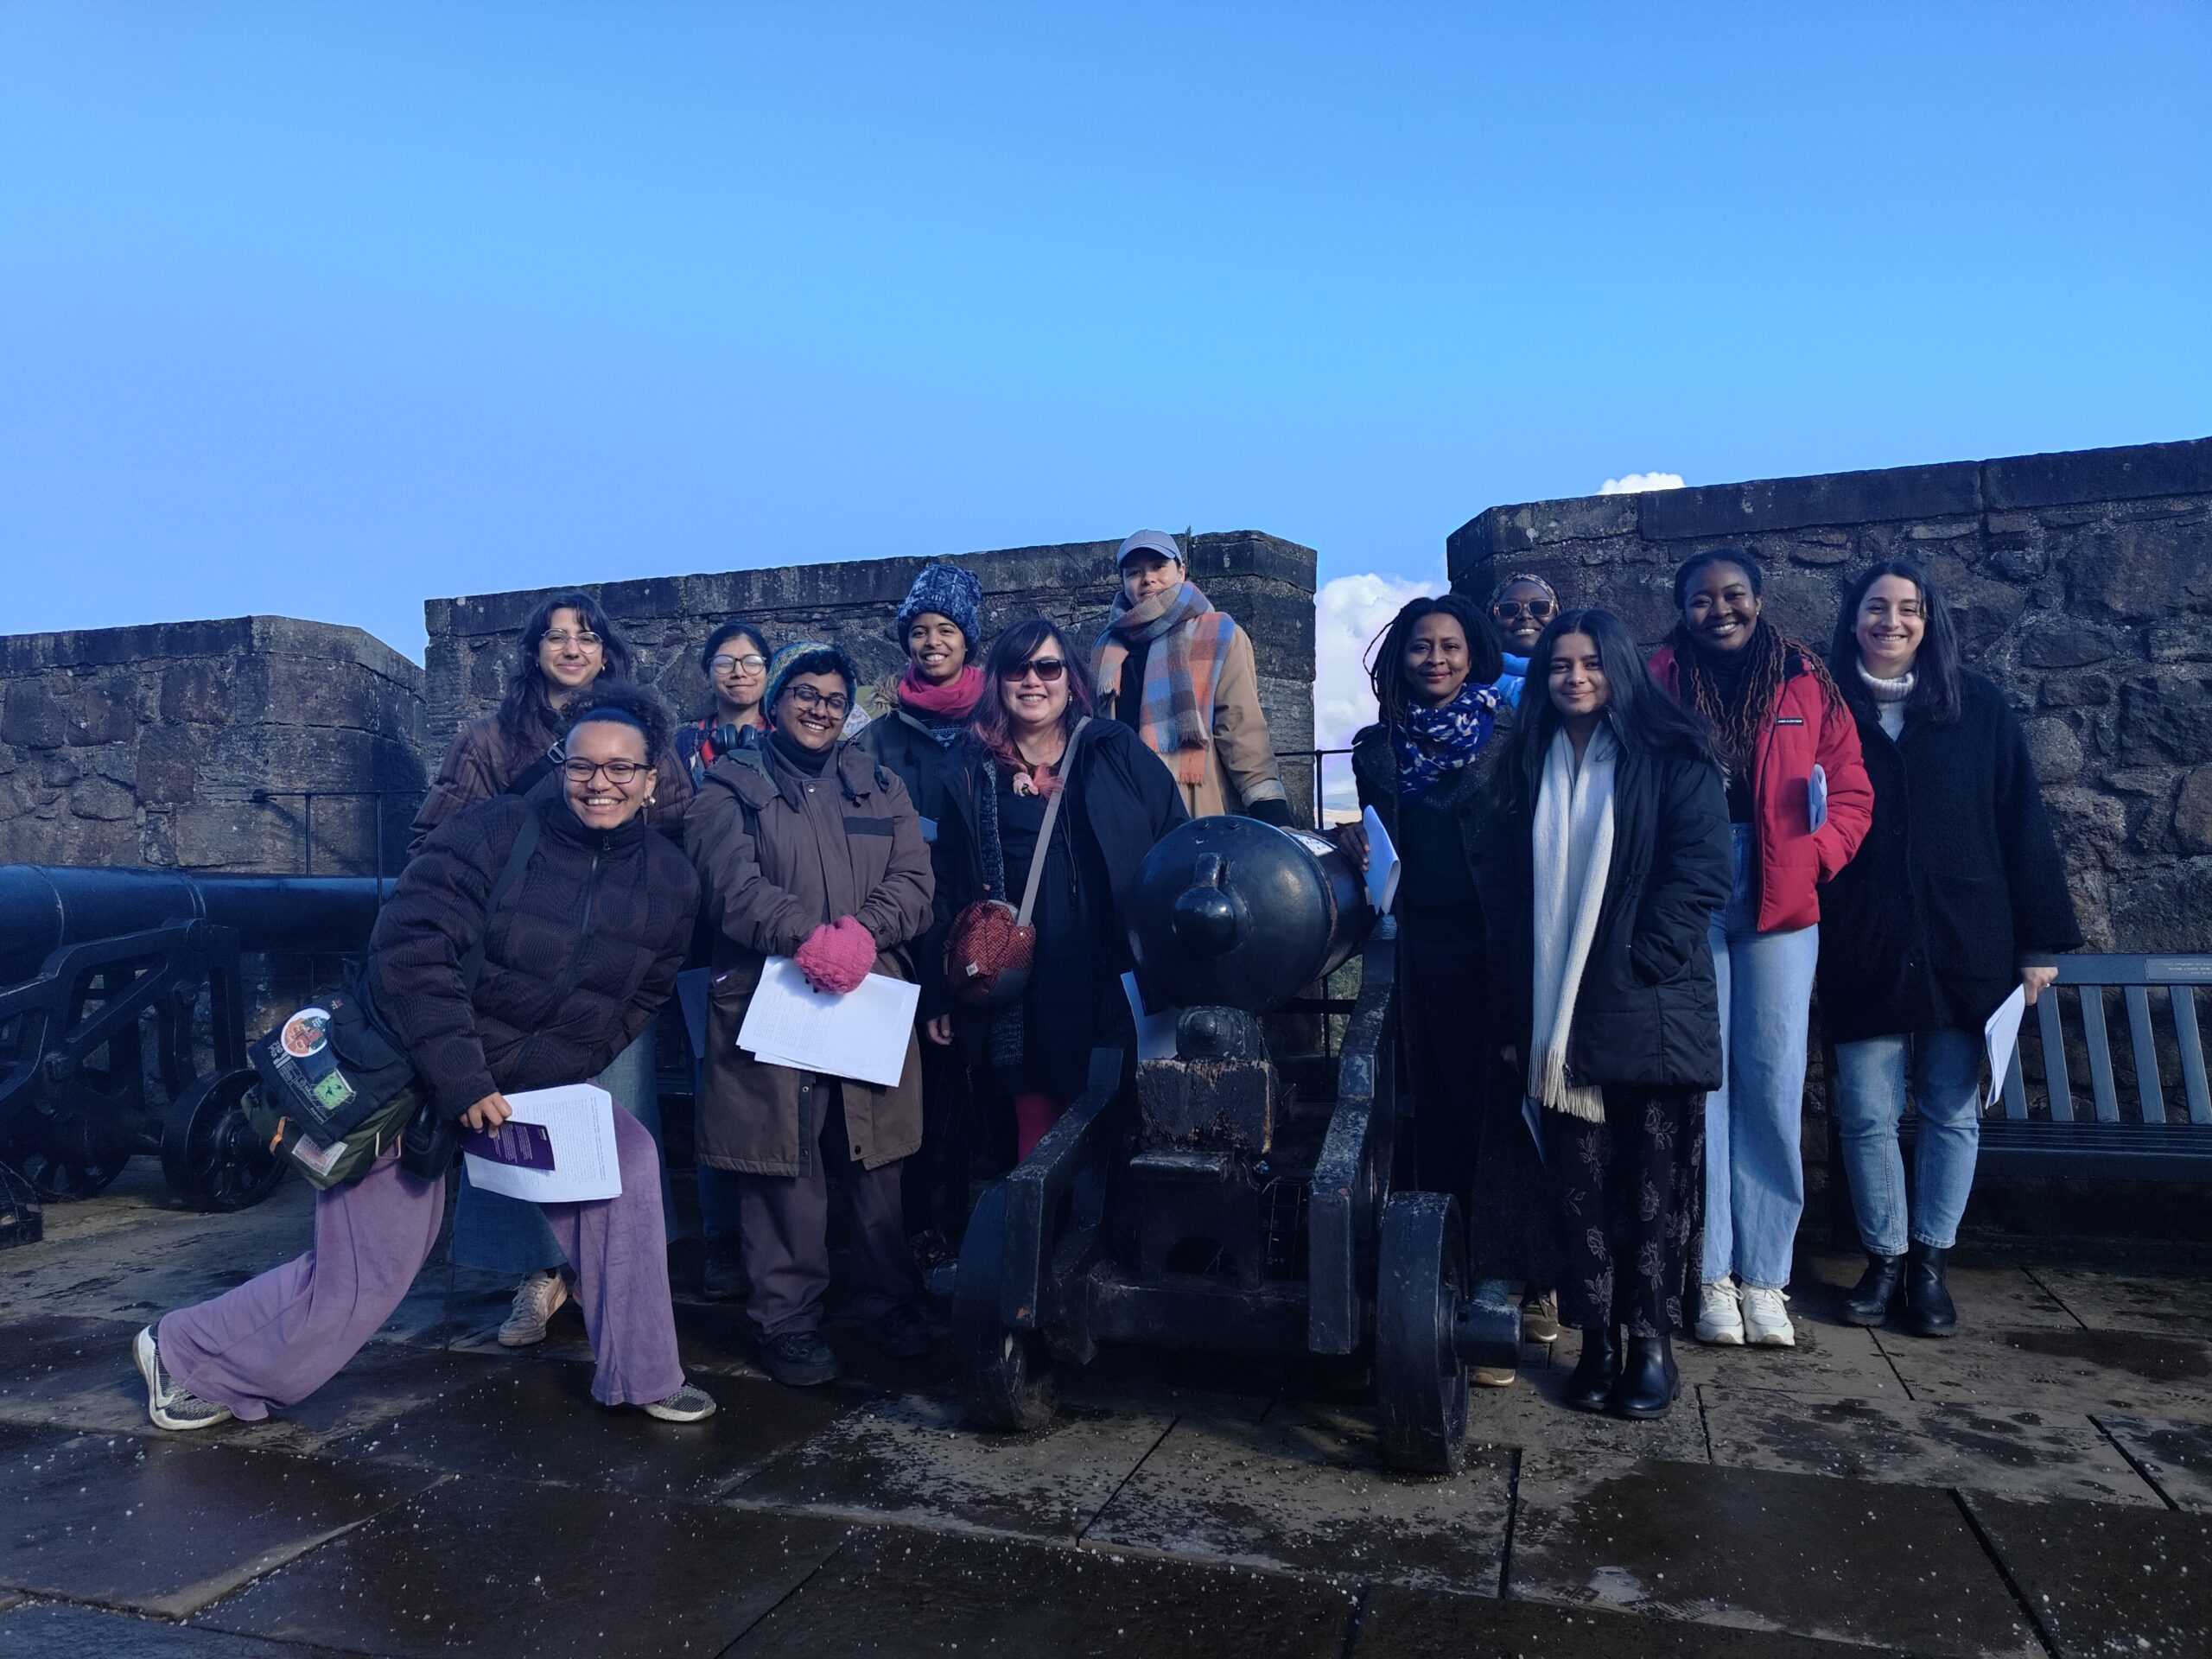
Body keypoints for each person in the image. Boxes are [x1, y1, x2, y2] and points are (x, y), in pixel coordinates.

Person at [136, 684, 716, 1432]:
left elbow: (645, 992)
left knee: (625, 1167)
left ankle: (644, 1373)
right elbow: (409, 950)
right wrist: (465, 1078)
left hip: (525, 1087)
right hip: (414, 1073)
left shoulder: (670, 880)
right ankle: (184, 1353)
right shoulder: (497, 830)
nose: (600, 782)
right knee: (367, 1274)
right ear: (561, 763)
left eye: (621, 769)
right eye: (583, 765)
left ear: (649, 779)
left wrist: (567, 1065)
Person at [410, 595, 691, 1352]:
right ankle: (533, 1274)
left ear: (607, 652)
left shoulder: (643, 735)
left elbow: (674, 825)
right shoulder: (493, 740)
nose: (571, 648)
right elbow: (438, 839)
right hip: (514, 966)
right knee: (511, 1121)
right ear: (534, 652)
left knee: (612, 1124)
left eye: (586, 636)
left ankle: (610, 1277)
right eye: (555, 637)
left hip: (608, 960)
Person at [1478, 610, 1732, 1419]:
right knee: (1578, 1190)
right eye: (1560, 665)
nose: (1575, 677)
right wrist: (1520, 1016)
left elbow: (1699, 874)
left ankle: (1650, 1346)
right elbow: (1513, 901)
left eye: (1591, 662)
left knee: (1647, 1189)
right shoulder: (1526, 769)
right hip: (1557, 1016)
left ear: (1620, 668)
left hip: (1644, 1006)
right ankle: (1596, 1341)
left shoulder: (1674, 758)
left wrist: (1635, 963)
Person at [1819, 560, 2081, 1337]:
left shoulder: (1979, 707)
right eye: (1877, 607)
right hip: (1860, 938)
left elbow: (2021, 821)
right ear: (1854, 618)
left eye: (1909, 608)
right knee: (1866, 1115)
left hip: (1965, 936)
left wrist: (2038, 942)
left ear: (1930, 622)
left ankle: (1931, 1263)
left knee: (1950, 1111)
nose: (1892, 621)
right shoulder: (1825, 708)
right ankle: (1884, 1260)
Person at [686, 641, 935, 1388]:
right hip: (774, 995)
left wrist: (863, 935)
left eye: (834, 697)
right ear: (777, 699)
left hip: (865, 991)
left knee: (875, 1154)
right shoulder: (726, 787)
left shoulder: (880, 785)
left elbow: (915, 878)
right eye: (805, 693)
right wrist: (805, 936)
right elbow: (730, 884)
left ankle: (885, 1299)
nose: (820, 709)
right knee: (782, 1160)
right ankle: (787, 1319)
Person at [1651, 550, 1872, 1350]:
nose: (1720, 610)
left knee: (1774, 1080)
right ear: (1682, 607)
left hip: (1784, 892)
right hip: (1693, 887)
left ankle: (1765, 1277)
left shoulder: (1806, 679)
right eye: (1702, 598)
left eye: (1733, 595)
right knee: (1702, 1082)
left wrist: (1817, 856)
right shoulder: (1657, 678)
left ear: (1759, 598)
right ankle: (1710, 1275)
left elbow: (1849, 787)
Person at [1339, 594, 1557, 1378]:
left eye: (1450, 647)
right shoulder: (1375, 749)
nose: (1435, 659)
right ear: (1400, 658)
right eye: (1421, 648)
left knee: (1504, 1103)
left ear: (1476, 655)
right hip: (1421, 947)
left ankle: (1520, 1280)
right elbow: (1377, 844)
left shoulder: (1510, 736)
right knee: (1433, 1109)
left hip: (1498, 946)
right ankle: (1450, 1270)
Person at [935, 619, 1187, 1160]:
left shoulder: (1112, 748)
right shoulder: (970, 768)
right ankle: (1040, 1237)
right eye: (1016, 668)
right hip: (1025, 977)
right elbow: (946, 880)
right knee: (1037, 1118)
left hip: (1111, 964)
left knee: (1125, 1109)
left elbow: (1173, 839)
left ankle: (1112, 1237)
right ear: (997, 681)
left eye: (1047, 667)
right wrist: (939, 991)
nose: (1033, 680)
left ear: (1068, 678)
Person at [854, 564, 989, 1263]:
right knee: (917, 1085)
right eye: (918, 632)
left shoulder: (998, 722)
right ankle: (922, 1226)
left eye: (945, 630)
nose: (931, 643)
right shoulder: (878, 740)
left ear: (969, 640)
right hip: (906, 928)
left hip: (990, 928)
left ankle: (986, 1225)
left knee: (987, 1080)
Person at [1090, 529, 1294, 825]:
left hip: (1191, 809)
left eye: (1159, 567)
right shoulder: (1107, 648)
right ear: (1124, 583)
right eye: (1134, 572)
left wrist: (1272, 816)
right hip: (1122, 812)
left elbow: (1240, 728)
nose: (1148, 578)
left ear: (1181, 571)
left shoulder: (1220, 635)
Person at [677, 620, 774, 790]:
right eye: (724, 663)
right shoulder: (684, 748)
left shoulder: (786, 740)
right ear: (708, 675)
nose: (739, 673)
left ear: (767, 672)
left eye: (752, 662)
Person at [1485, 574, 1561, 710]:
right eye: (1509, 610)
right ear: (1492, 623)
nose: (1525, 616)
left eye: (1540, 607)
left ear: (1557, 617)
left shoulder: (1579, 678)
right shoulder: (1468, 686)